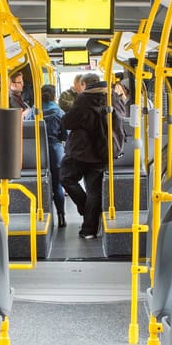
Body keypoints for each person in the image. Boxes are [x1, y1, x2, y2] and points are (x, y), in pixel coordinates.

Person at [60, 73, 111, 239]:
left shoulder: (83, 99)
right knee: (94, 191)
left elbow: (68, 122)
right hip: (102, 150)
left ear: (84, 84)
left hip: (80, 151)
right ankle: (89, 230)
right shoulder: (111, 98)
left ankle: (85, 208)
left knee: (66, 178)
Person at [39, 84, 68, 225]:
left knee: (41, 184)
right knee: (57, 185)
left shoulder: (34, 111)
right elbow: (65, 136)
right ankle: (61, 217)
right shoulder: (59, 112)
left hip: (38, 152)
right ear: (54, 95)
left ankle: (44, 218)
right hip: (56, 151)